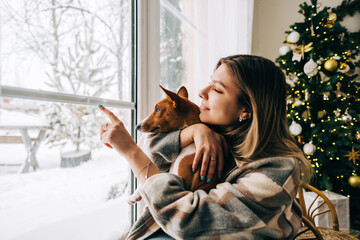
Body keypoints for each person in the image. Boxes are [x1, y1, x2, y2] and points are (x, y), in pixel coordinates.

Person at [99, 54, 313, 240]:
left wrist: (130, 152)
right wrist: (193, 132)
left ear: (246, 109)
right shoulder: (215, 130)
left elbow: (189, 221)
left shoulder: (277, 171)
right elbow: (155, 148)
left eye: (218, 89)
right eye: (210, 82)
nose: (201, 91)